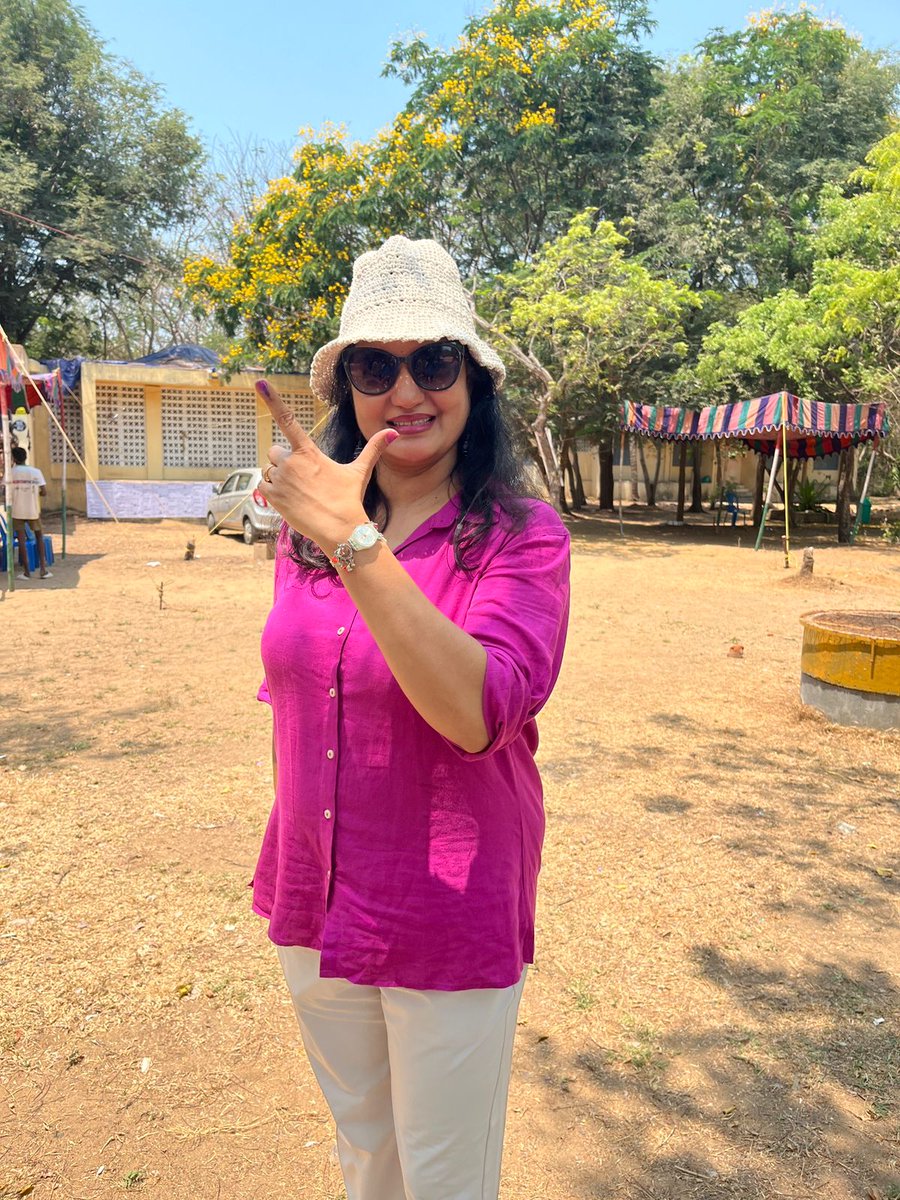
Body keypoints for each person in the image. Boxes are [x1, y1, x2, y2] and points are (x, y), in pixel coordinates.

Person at [253, 235, 570, 1200]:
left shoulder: (522, 537)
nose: (406, 391)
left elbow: (476, 713)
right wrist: (333, 531)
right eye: (374, 365)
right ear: (348, 386)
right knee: (365, 1153)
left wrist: (354, 541)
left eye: (433, 362)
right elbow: (300, 703)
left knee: (443, 1179)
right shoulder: (305, 539)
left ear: (473, 382)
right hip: (318, 893)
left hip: (447, 907)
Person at [8, 447, 52, 580]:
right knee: (39, 537)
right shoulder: (35, 472)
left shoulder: (10, 473)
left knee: (21, 540)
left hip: (17, 510)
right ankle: (43, 570)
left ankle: (27, 572)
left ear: (13, 459)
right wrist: (33, 493)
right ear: (26, 457)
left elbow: (7, 492)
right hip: (33, 509)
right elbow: (44, 492)